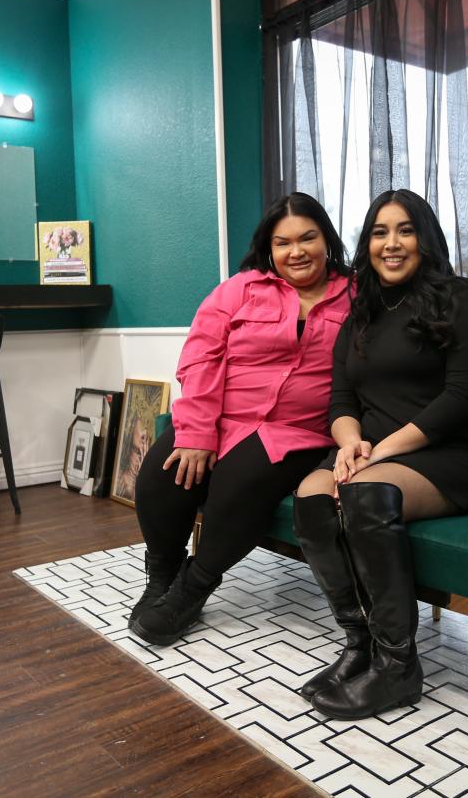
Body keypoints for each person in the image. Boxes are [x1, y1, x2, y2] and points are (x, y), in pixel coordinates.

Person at [293, 188, 468, 720]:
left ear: (425, 238)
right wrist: (351, 445)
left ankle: (398, 668)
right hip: (379, 455)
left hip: (458, 453)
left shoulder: (463, 298)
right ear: (367, 243)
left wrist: (377, 454)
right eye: (379, 232)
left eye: (405, 230)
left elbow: (460, 400)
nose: (392, 244)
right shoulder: (361, 313)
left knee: (365, 493)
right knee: (312, 496)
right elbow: (341, 401)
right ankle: (360, 644)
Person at [128, 193, 354, 646]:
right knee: (160, 475)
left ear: (326, 239)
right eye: (283, 242)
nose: (297, 251)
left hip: (296, 432)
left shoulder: (359, 295)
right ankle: (162, 575)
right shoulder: (239, 289)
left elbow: (420, 310)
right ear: (268, 248)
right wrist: (196, 433)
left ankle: (193, 589)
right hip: (223, 417)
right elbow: (200, 358)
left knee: (239, 481)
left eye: (308, 237)